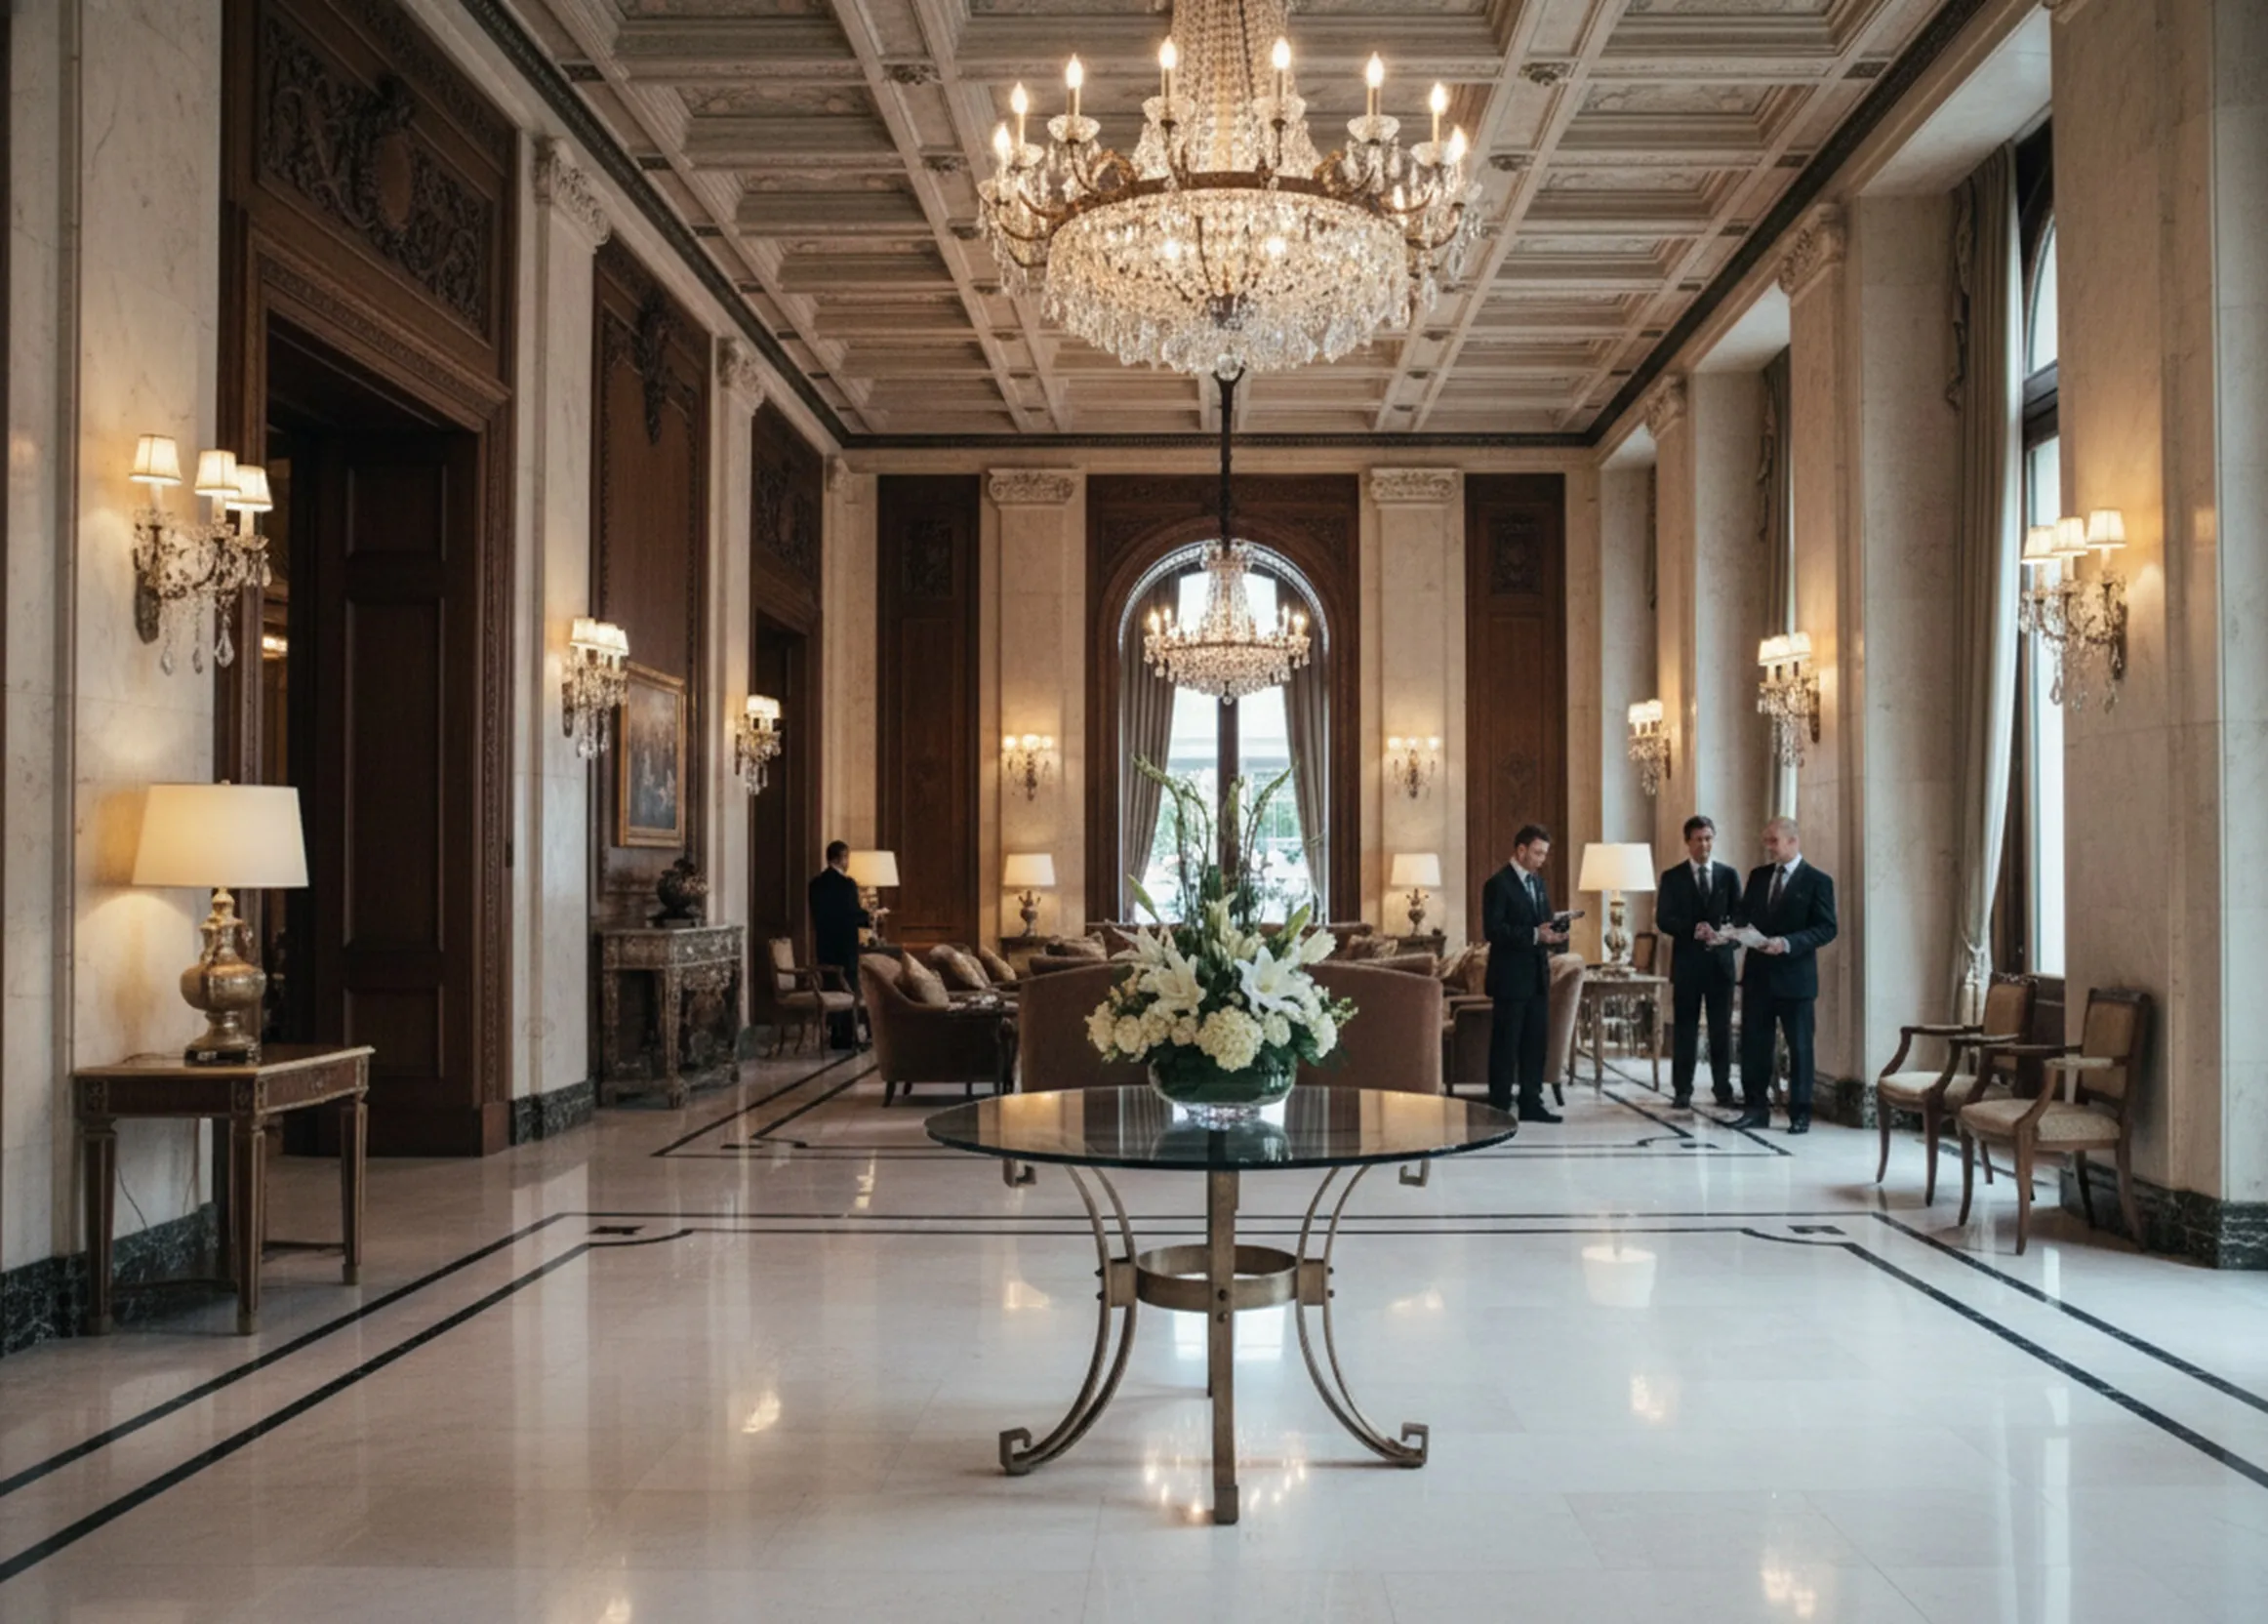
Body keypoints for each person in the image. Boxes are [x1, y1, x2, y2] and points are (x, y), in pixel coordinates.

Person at [1703, 817, 1837, 1134]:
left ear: (1793, 841)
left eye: (1774, 841)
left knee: (1800, 1047)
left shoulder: (1818, 881)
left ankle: (1800, 1113)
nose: (1769, 847)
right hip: (1758, 977)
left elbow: (1827, 928)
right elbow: (1743, 916)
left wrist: (1789, 943)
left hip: (1796, 979)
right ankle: (1755, 1108)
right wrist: (1725, 934)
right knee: (1754, 1045)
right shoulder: (1758, 876)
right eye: (1767, 841)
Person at [1482, 824, 1569, 1123]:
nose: (1541, 859)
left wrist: (1555, 934)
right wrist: (1535, 935)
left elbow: (1542, 923)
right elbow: (1494, 930)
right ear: (1520, 850)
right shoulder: (1497, 884)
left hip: (1537, 977)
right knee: (1506, 1046)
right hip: (1509, 978)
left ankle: (1532, 1102)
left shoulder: (1538, 883)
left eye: (1544, 853)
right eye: (1537, 852)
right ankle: (1499, 1105)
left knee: (1535, 1043)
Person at [1654, 815, 1740, 1111]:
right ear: (1688, 842)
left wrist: (1724, 937)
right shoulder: (1673, 877)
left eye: (1708, 838)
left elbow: (1741, 920)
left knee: (1721, 1030)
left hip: (1720, 965)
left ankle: (1723, 1088)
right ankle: (1682, 1090)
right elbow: (1663, 919)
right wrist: (1692, 930)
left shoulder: (1729, 876)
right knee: (1685, 1030)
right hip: (1688, 965)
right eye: (1698, 839)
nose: (1704, 844)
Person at [808, 841, 871, 1049]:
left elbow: (818, 915)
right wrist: (870, 916)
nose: (847, 863)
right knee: (849, 989)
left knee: (831, 986)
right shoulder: (847, 884)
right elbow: (852, 914)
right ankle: (848, 1036)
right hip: (845, 945)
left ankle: (834, 1034)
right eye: (847, 858)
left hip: (825, 944)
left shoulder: (815, 884)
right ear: (841, 858)